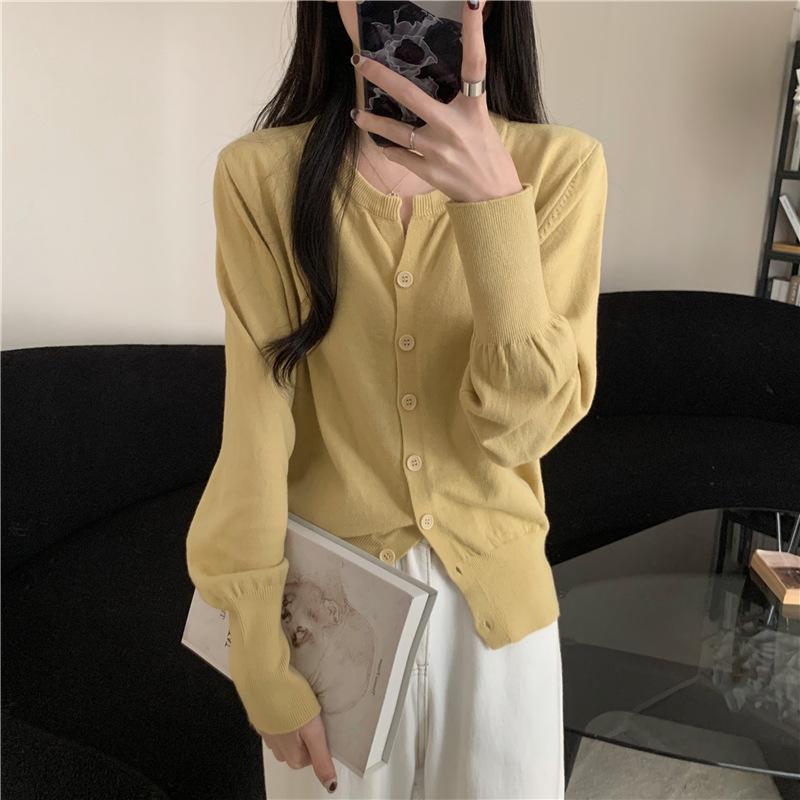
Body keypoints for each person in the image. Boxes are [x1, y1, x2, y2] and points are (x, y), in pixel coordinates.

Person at [185, 0, 608, 798]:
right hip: (328, 611)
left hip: (497, 627)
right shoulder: (260, 177)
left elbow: (524, 430)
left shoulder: (560, 168)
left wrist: (492, 204)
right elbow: (255, 424)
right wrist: (257, 648)